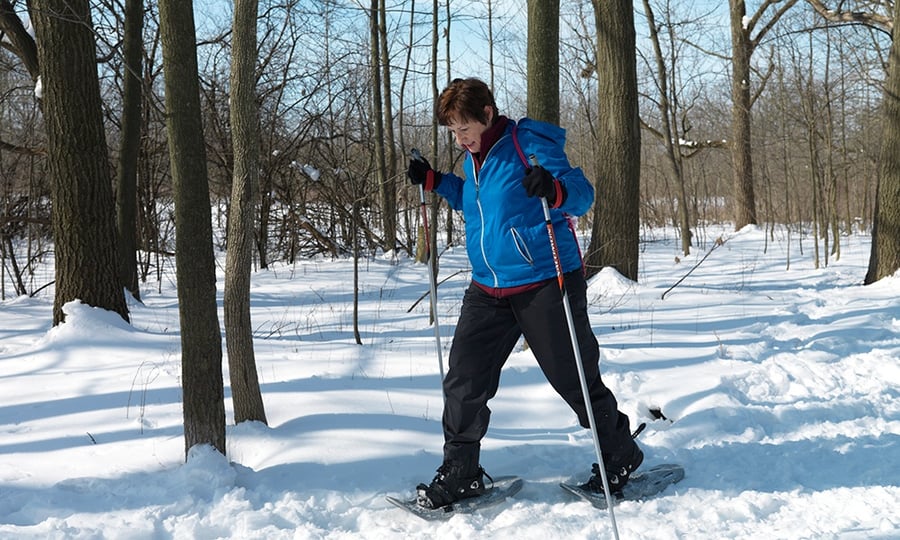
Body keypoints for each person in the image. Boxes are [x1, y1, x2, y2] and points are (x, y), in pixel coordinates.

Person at [406, 77, 643, 509]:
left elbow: (582, 196)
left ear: (488, 115)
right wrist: (436, 181)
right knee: (464, 379)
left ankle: (619, 453)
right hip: (488, 287)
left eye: (464, 129)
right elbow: (477, 203)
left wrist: (553, 190)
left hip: (545, 281)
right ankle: (461, 472)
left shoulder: (527, 144)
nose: (460, 140)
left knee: (573, 376)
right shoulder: (471, 160)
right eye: (453, 132)